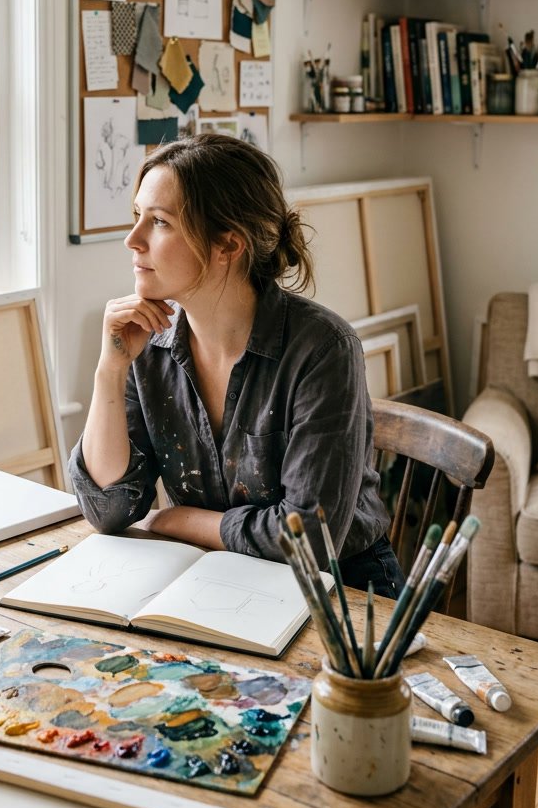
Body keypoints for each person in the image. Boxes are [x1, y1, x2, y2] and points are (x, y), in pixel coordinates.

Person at [69, 132, 404, 598]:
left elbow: (310, 537)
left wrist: (181, 518)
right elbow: (108, 509)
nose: (132, 239)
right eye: (136, 216)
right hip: (212, 579)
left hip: (340, 592)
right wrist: (110, 369)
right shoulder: (147, 345)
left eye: (160, 222)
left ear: (227, 245)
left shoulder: (323, 349)